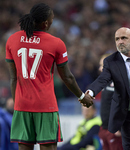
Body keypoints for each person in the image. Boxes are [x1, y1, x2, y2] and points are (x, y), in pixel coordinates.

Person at [5, 3, 93, 150]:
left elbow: (14, 79)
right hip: (45, 106)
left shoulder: (12, 40)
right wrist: (82, 96)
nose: (53, 21)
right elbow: (67, 77)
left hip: (22, 106)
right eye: (52, 18)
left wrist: (18, 105)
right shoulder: (56, 43)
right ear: (46, 23)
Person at [97, 54, 123, 150]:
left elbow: (123, 105)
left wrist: (119, 127)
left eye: (102, 66)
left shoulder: (119, 82)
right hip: (104, 128)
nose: (100, 69)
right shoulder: (105, 82)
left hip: (113, 130)